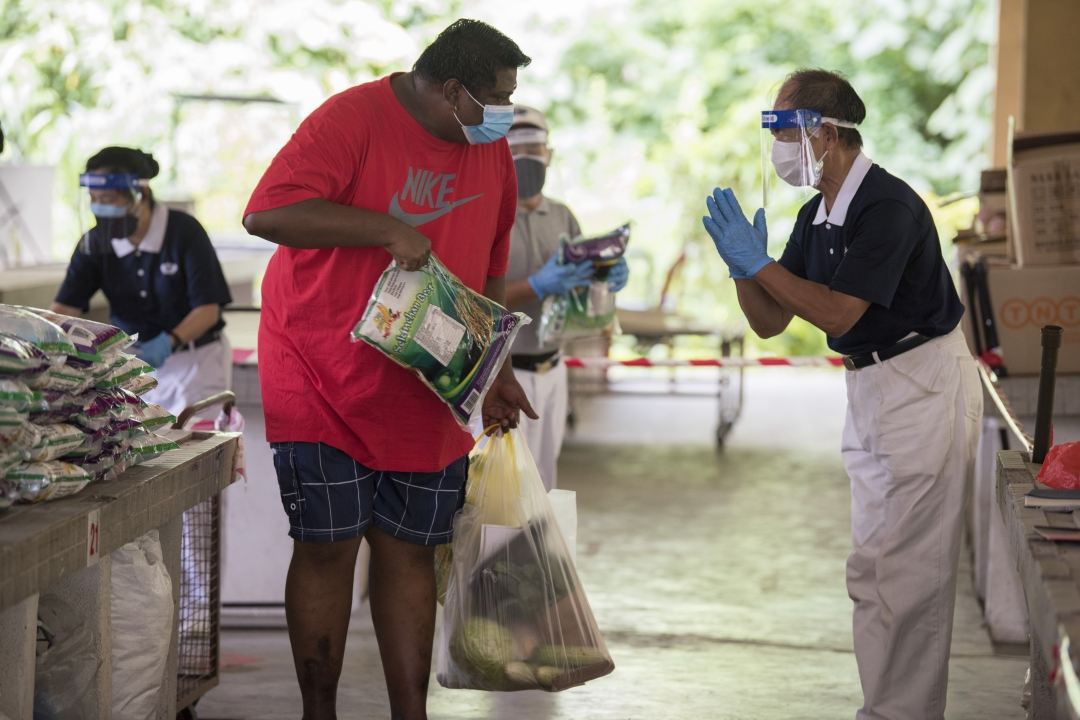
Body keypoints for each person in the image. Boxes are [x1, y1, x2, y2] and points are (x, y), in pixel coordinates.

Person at [241, 19, 535, 720]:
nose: (506, 114)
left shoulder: (485, 151)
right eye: (497, 98)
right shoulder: (353, 119)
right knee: (329, 546)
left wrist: (493, 366)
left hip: (429, 387)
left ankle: (412, 713)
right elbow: (266, 212)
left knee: (410, 550)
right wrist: (385, 228)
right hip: (322, 375)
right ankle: (321, 712)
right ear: (454, 90)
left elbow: (490, 265)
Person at [702, 69, 981, 720]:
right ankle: (885, 707)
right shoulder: (819, 213)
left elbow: (839, 314)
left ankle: (901, 714)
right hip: (872, 388)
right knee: (873, 570)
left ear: (825, 134)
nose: (775, 147)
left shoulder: (887, 206)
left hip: (922, 382)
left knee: (909, 574)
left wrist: (760, 264)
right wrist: (742, 267)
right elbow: (771, 319)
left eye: (782, 129)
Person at [498, 105, 628, 489]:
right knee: (504, 487)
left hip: (552, 369)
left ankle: (539, 551)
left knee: (545, 483)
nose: (528, 159)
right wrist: (534, 286)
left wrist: (605, 279)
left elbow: (580, 293)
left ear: (549, 154)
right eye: (516, 150)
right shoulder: (490, 216)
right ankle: (504, 552)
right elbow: (471, 300)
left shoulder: (562, 216)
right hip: (503, 373)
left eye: (535, 149)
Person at [52, 146, 233, 415]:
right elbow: (65, 309)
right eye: (94, 198)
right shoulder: (95, 243)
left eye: (110, 199)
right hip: (130, 368)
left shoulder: (183, 232)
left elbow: (207, 311)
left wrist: (168, 342)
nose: (100, 207)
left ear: (142, 194)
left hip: (195, 365)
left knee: (195, 446)